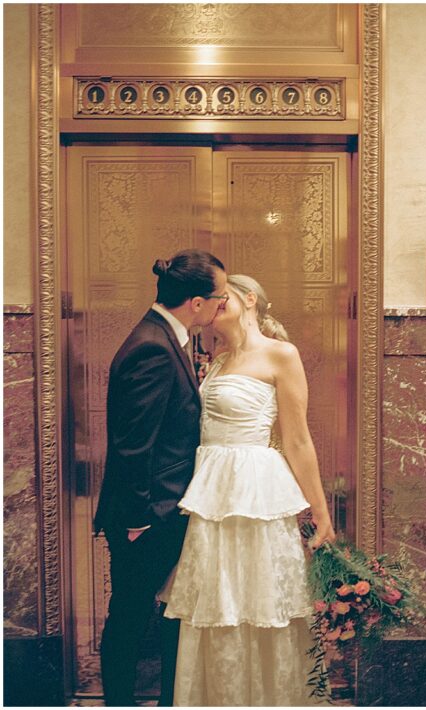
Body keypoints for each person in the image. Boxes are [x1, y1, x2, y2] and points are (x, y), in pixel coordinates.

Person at [161, 273, 335, 706]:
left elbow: (297, 439)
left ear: (250, 300)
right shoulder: (212, 358)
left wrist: (320, 510)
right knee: (217, 600)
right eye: (213, 299)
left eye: (225, 298)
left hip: (255, 489)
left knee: (263, 601)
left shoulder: (281, 354)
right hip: (212, 493)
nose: (216, 304)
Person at [93, 249, 228, 707]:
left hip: (161, 509)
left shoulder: (168, 337)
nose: (220, 308)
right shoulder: (152, 346)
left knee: (137, 615)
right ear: (196, 303)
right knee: (129, 617)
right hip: (147, 516)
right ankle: (119, 702)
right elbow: (134, 445)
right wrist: (138, 519)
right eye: (219, 298)